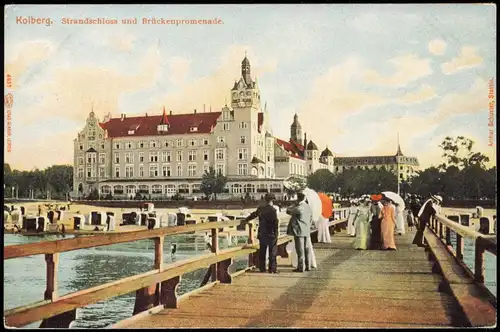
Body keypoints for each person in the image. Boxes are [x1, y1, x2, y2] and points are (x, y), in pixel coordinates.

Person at [243, 193, 280, 273]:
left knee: (262, 251)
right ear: (272, 201)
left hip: (262, 233)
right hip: (271, 233)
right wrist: (276, 234)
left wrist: (246, 220)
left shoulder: (260, 208)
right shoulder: (273, 210)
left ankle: (262, 268)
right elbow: (275, 223)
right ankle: (272, 269)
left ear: (265, 200)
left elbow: (253, 215)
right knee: (272, 252)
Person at [286, 192, 313, 272]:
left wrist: (294, 204)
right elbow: (311, 219)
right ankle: (308, 265)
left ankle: (301, 267)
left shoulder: (298, 208)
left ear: (298, 198)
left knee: (300, 250)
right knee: (307, 249)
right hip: (306, 230)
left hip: (299, 231)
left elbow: (288, 211)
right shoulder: (308, 207)